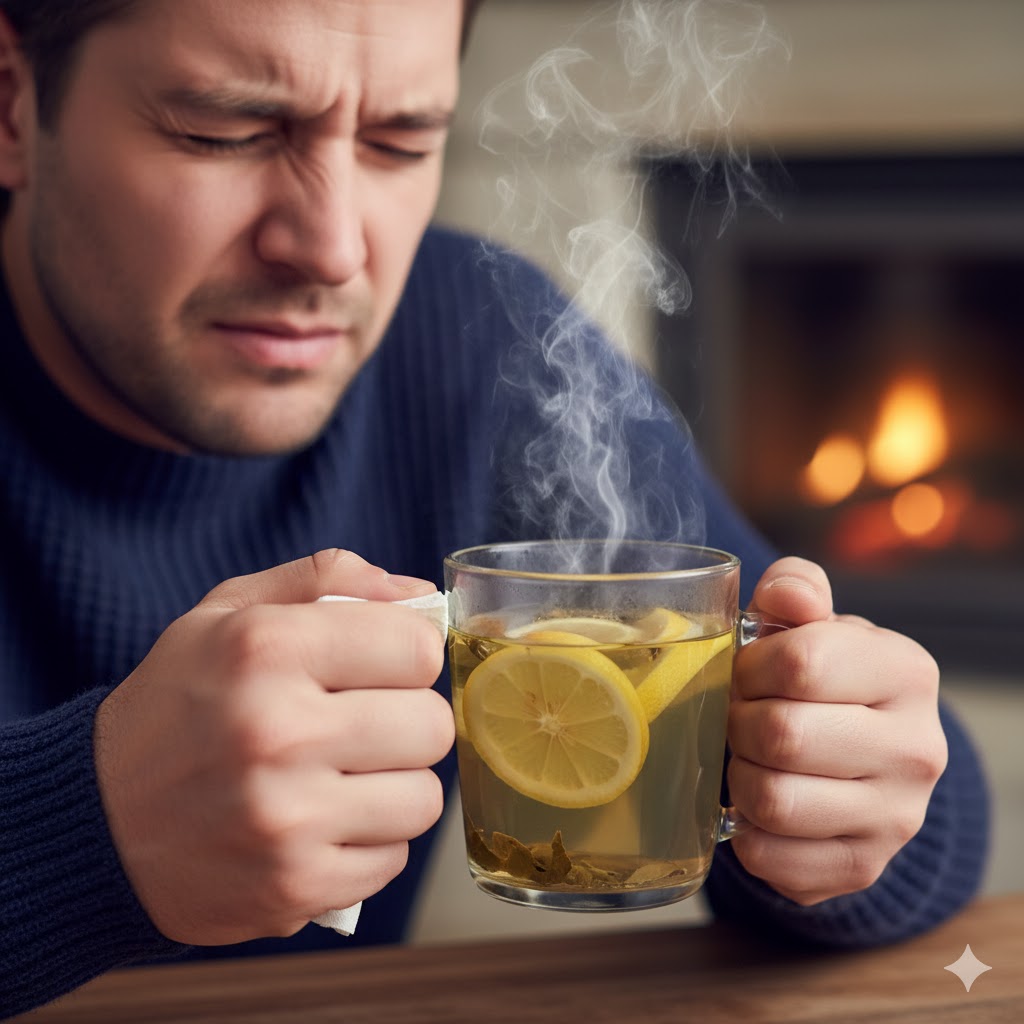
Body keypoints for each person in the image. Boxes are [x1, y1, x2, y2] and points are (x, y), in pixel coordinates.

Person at [0, 0, 989, 1017]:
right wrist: (85, 824)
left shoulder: (467, 335)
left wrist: (825, 790)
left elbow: (920, 804)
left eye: (399, 142)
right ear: (12, 103)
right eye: (225, 133)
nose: (332, 248)